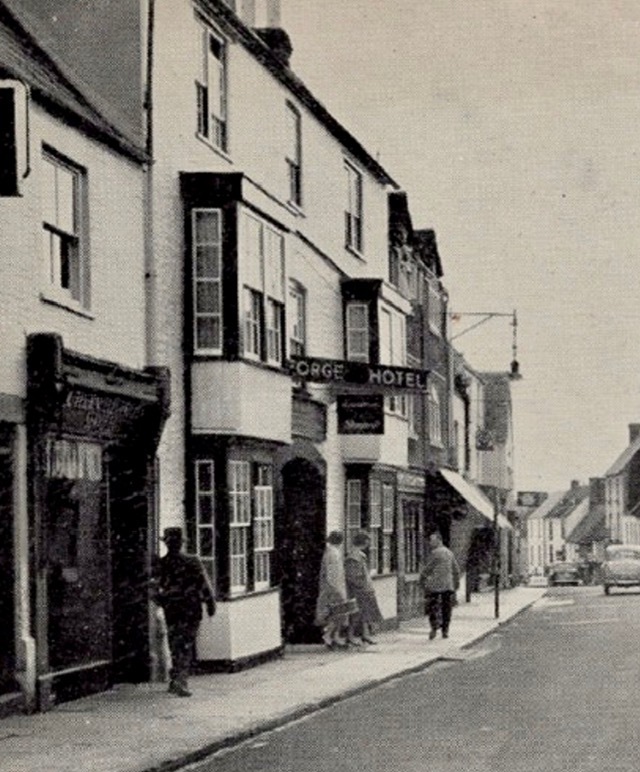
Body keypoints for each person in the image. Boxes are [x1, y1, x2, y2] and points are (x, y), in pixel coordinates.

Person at [154, 527, 216, 697]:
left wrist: (163, 599)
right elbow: (204, 584)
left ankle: (176, 680)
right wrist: (210, 603)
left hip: (172, 609)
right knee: (186, 645)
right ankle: (181, 681)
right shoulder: (192, 561)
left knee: (175, 644)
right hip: (190, 609)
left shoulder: (162, 563)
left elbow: (153, 588)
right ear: (181, 543)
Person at [314, 530, 357, 649]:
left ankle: (333, 636)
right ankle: (328, 635)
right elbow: (332, 575)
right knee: (339, 613)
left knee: (337, 613)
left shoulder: (332, 552)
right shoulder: (333, 554)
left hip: (333, 587)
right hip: (334, 588)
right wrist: (337, 590)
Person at [345, 530, 383, 645]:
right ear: (364, 542)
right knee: (356, 614)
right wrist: (362, 585)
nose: (369, 543)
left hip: (364, 588)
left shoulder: (360, 556)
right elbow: (352, 576)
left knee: (366, 613)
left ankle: (365, 635)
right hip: (358, 590)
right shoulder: (353, 557)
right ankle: (350, 635)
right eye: (368, 541)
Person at [420, 531, 460, 640]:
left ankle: (434, 626)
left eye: (432, 540)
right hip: (448, 585)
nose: (430, 543)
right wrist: (456, 583)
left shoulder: (435, 553)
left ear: (439, 540)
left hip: (435, 586)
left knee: (432, 606)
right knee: (446, 608)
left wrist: (422, 578)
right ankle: (445, 630)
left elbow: (427, 568)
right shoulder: (449, 552)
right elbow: (456, 569)